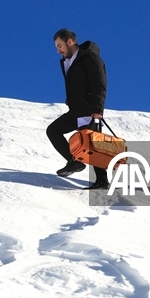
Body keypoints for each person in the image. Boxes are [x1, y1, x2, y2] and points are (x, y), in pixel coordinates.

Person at [47, 28, 109, 189]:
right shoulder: (66, 62)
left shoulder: (89, 58)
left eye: (59, 45)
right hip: (75, 109)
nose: (58, 50)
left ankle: (102, 181)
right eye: (56, 47)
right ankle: (75, 161)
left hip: (89, 109)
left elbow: (99, 84)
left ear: (70, 41)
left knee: (91, 143)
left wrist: (97, 109)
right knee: (53, 130)